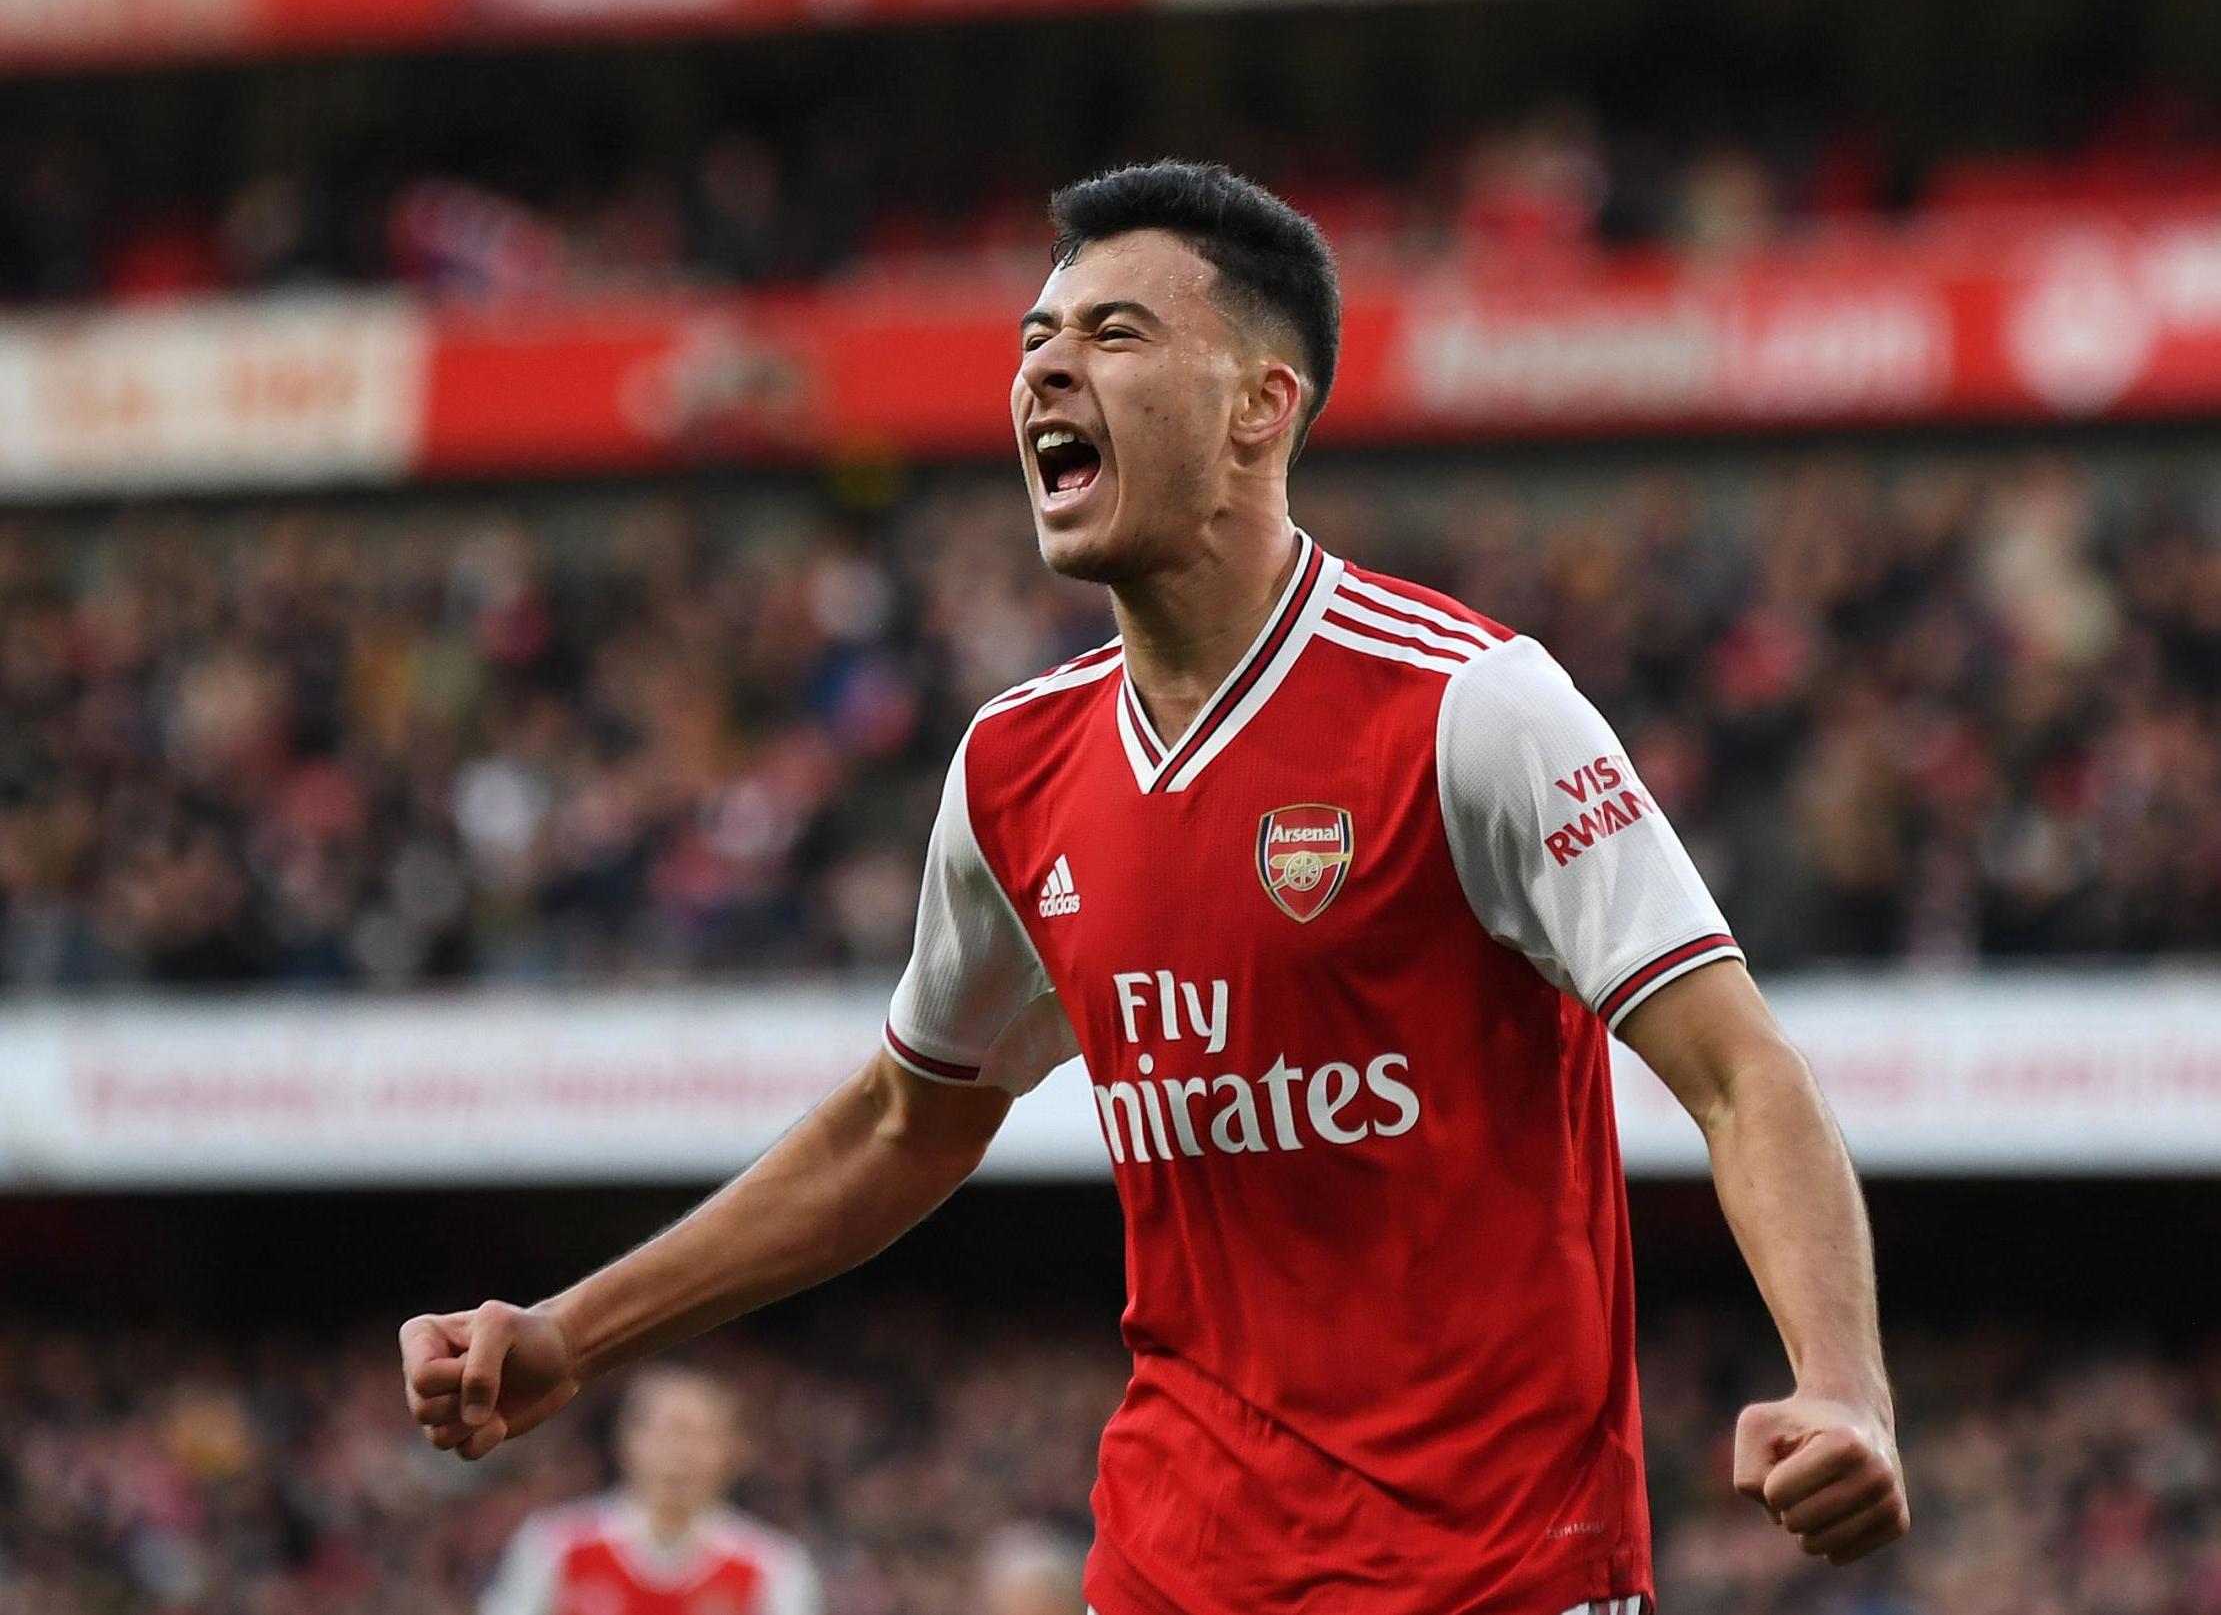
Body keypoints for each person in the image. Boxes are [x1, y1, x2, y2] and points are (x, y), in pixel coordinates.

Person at [402, 159, 1909, 1615]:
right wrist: (568, 1334)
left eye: (1113, 332)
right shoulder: (1012, 768)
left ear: (1263, 406)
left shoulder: (1471, 711)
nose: (1047, 370)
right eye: (1034, 340)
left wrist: (1840, 1381)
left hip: (1492, 1577)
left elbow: (1739, 1072)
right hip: (1171, 1568)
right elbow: (899, 1121)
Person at [477, 1365, 819, 1615]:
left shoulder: (775, 1566)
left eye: (698, 1434)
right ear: (626, 1440)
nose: (679, 1453)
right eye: (665, 1431)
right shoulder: (555, 1544)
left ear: (735, 1449)